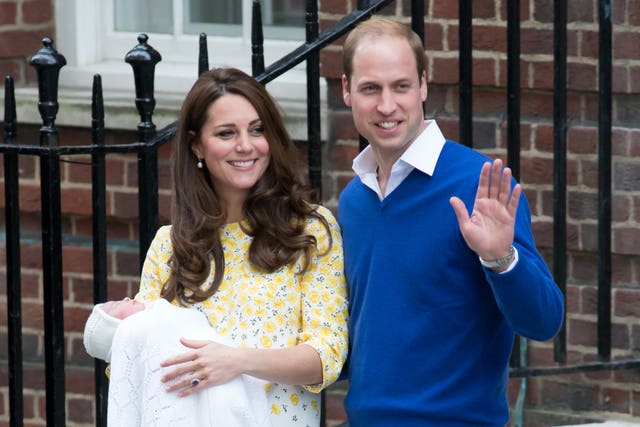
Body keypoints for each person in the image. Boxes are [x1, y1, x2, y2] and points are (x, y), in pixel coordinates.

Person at [337, 17, 565, 427]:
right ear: (347, 91)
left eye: (401, 86)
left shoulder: (481, 186)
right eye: (371, 88)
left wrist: (501, 260)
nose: (387, 106)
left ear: (422, 85)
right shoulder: (355, 201)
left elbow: (544, 322)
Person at [133, 67, 349, 427]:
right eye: (226, 133)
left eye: (257, 129)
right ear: (196, 144)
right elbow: (139, 364)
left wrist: (238, 360)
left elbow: (327, 356)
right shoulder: (169, 246)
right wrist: (116, 325)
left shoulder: (310, 230)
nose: (246, 146)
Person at [83, 297, 272, 427]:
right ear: (118, 333)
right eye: (115, 305)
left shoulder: (158, 315)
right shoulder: (137, 330)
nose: (125, 299)